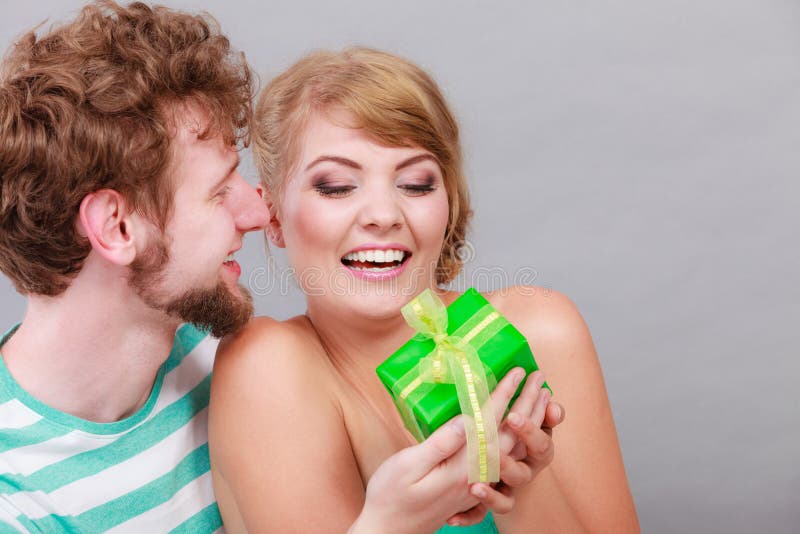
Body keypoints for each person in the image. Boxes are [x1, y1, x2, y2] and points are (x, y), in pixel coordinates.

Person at [0, 3, 554, 532]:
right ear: (118, 229)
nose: (258, 211)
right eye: (219, 193)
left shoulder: (225, 359)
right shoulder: (15, 499)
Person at [209, 47, 639, 532]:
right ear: (272, 216)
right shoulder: (267, 365)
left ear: (449, 205)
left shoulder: (542, 329)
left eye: (415, 184)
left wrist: (517, 481)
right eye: (335, 186)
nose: (384, 214)